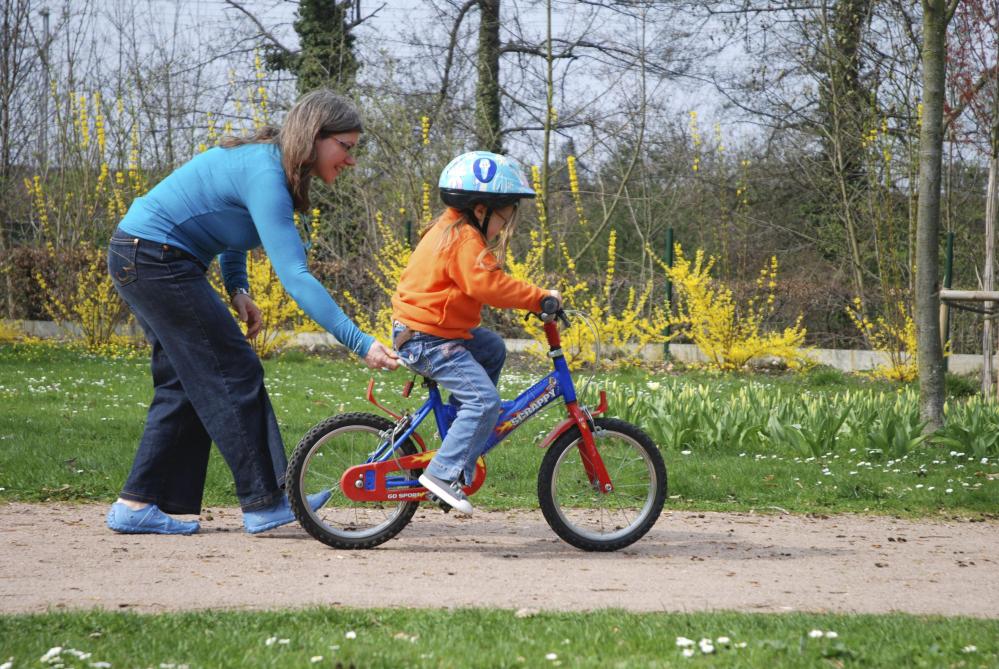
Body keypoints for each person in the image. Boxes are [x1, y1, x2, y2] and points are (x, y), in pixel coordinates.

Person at [105, 89, 399, 536]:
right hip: (155, 259)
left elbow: (229, 229)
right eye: (346, 146)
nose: (351, 160)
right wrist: (360, 342)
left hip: (143, 255)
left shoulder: (268, 165)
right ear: (315, 136)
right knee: (234, 371)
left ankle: (136, 504)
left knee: (184, 383)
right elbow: (296, 276)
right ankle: (266, 502)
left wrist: (237, 287)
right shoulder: (266, 175)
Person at [391, 150, 559, 514]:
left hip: (431, 332)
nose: (504, 227)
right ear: (481, 209)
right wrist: (539, 298)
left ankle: (460, 434)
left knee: (491, 348)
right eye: (504, 217)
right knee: (484, 402)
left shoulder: (453, 229)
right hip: (427, 339)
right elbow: (489, 286)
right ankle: (443, 473)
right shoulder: (464, 239)